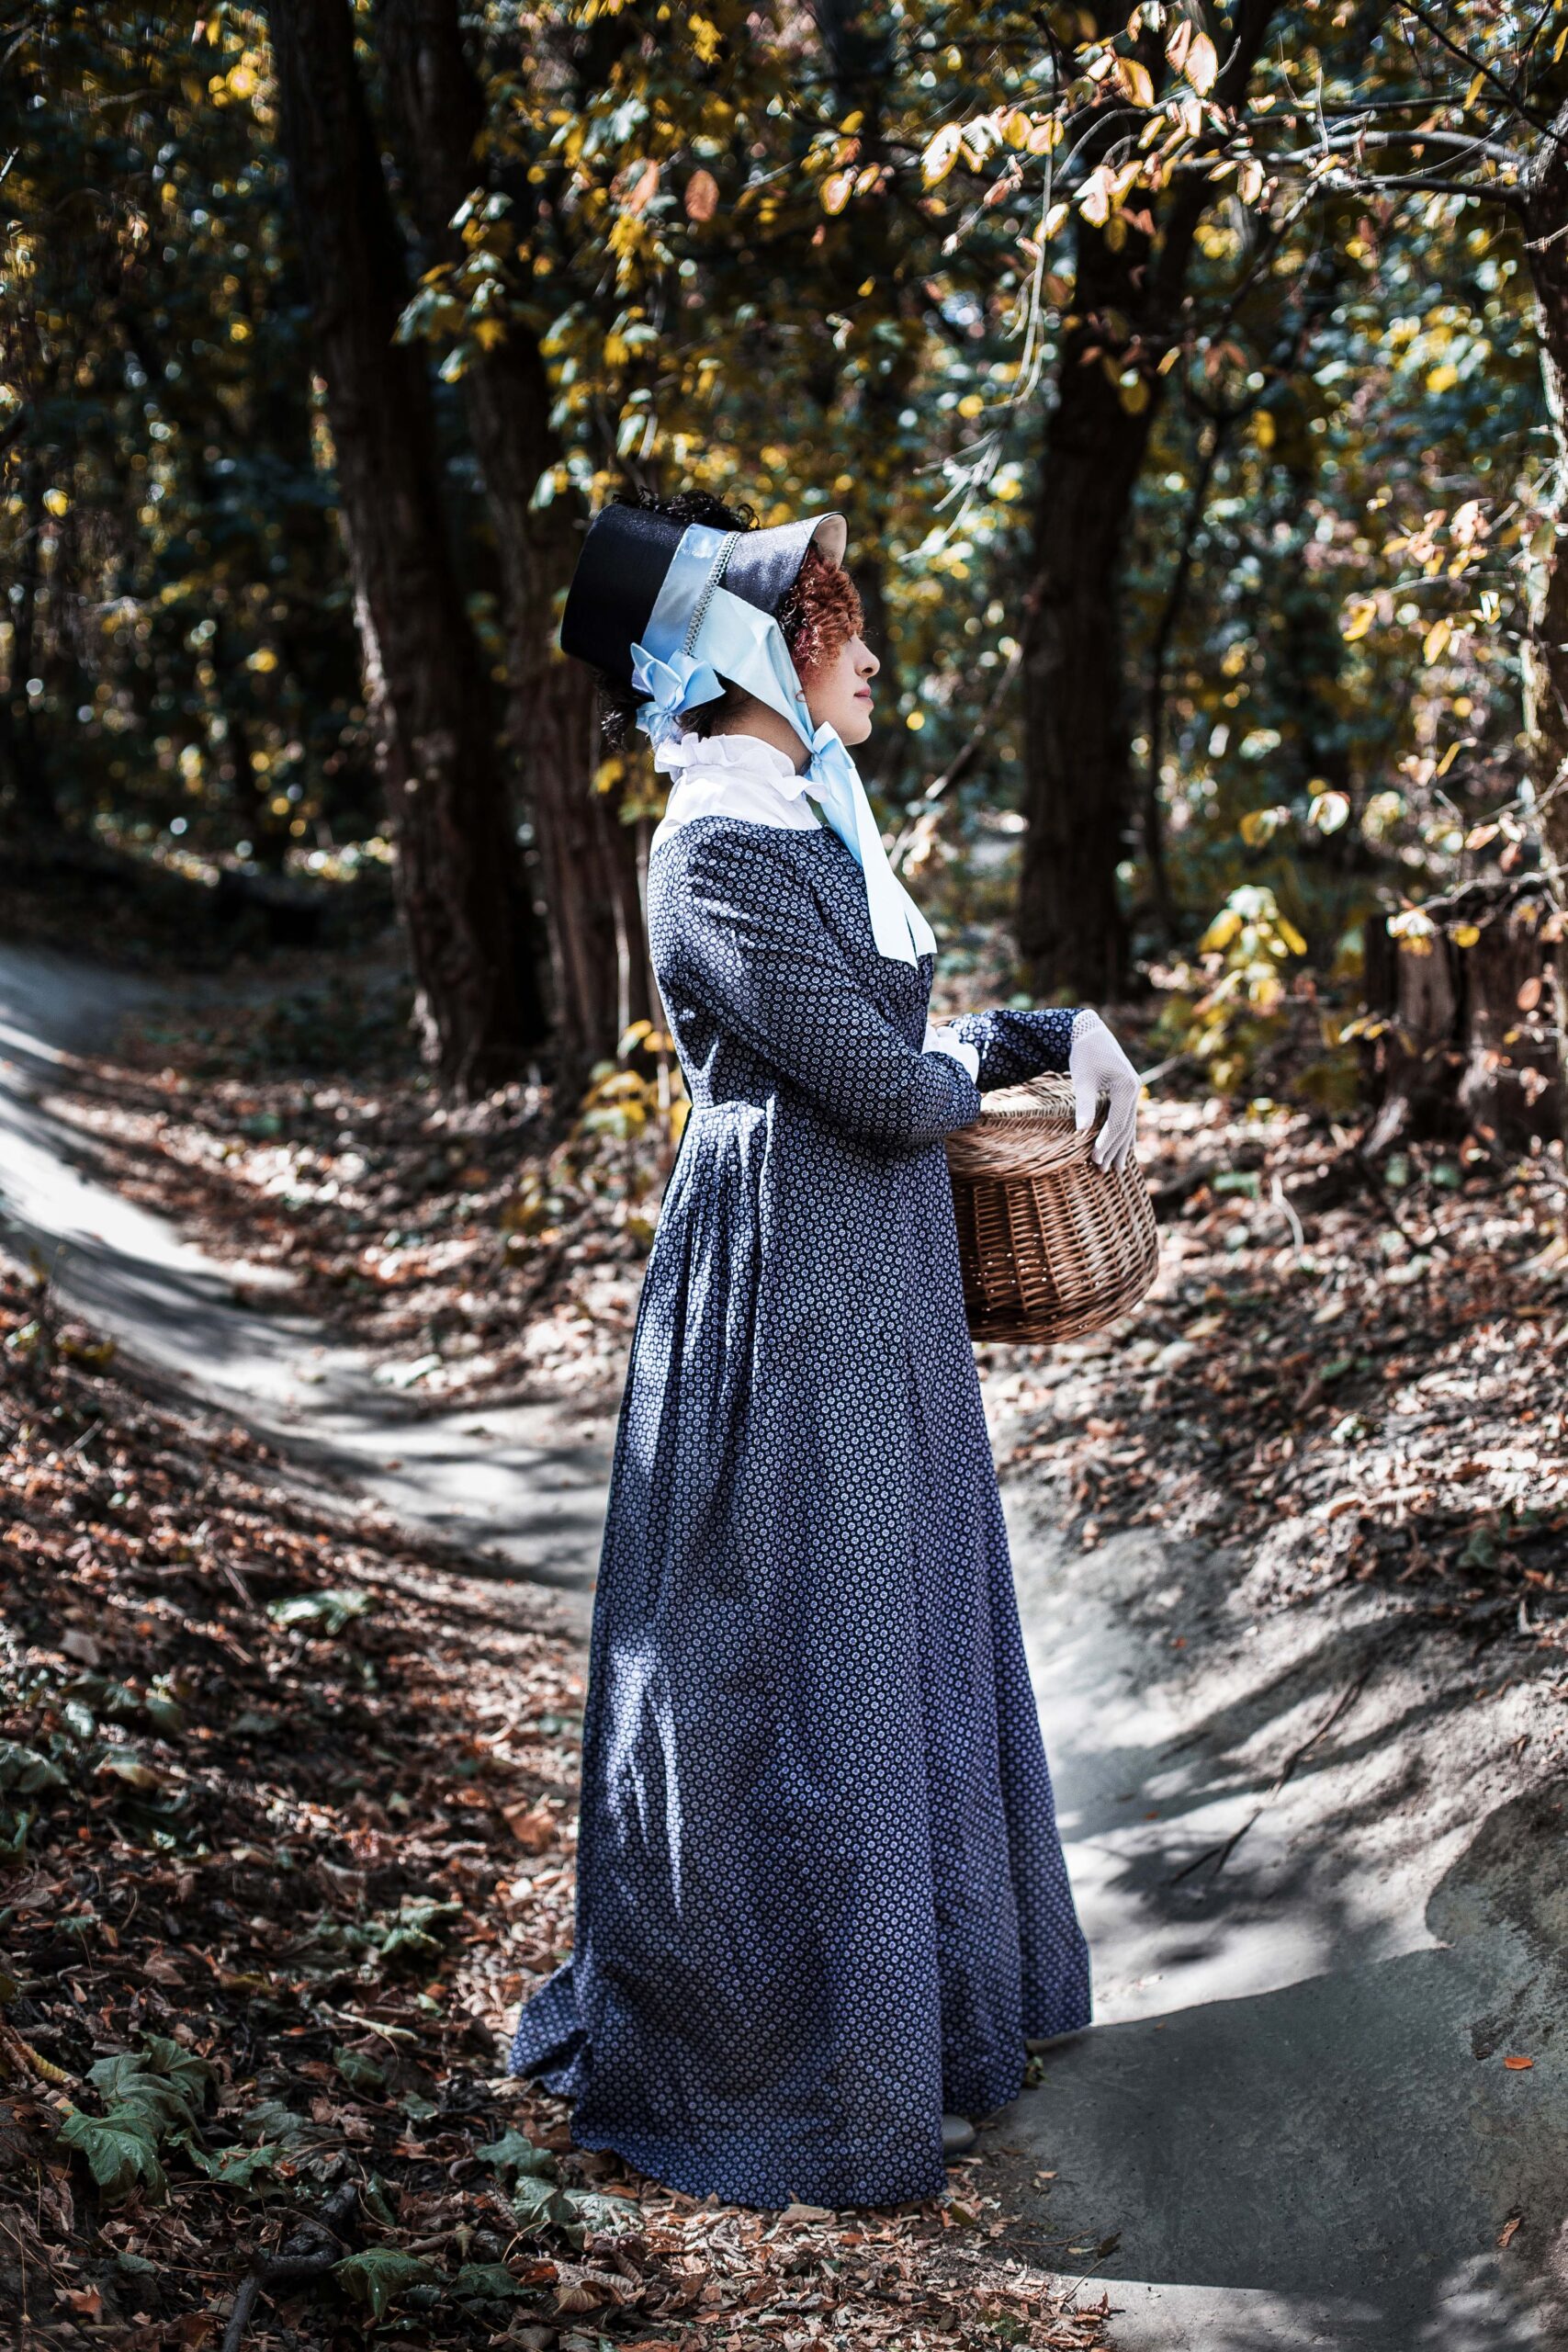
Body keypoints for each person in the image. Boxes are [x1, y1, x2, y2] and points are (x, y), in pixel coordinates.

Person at [509, 489, 1141, 2210]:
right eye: (838, 632)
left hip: (877, 1275)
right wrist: (978, 1068)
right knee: (806, 1652)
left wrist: (1053, 1030)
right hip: (791, 1284)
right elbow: (877, 1082)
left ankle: (924, 2028)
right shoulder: (715, 845)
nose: (868, 661)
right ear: (758, 655)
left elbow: (898, 1039)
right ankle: (815, 2067)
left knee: (901, 1622)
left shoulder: (801, 818)